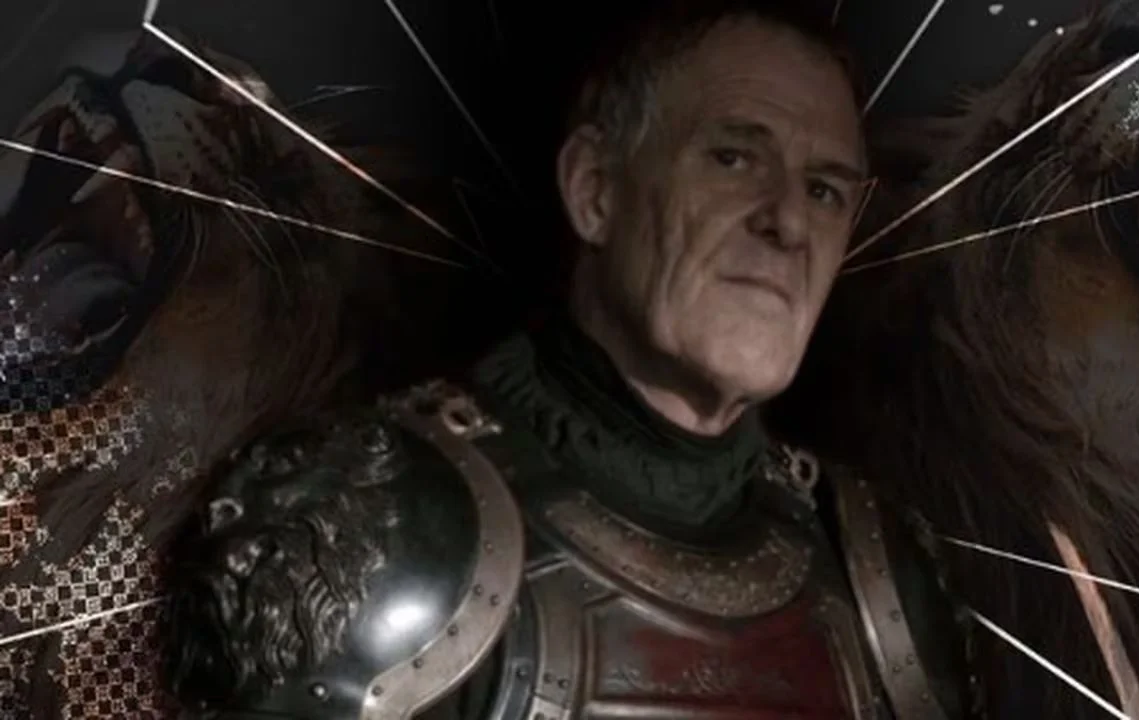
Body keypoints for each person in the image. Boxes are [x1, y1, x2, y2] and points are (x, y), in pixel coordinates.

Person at [163, 2, 971, 718]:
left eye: (825, 190)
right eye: (733, 158)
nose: (788, 222)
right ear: (595, 190)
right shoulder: (375, 525)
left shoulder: (881, 580)